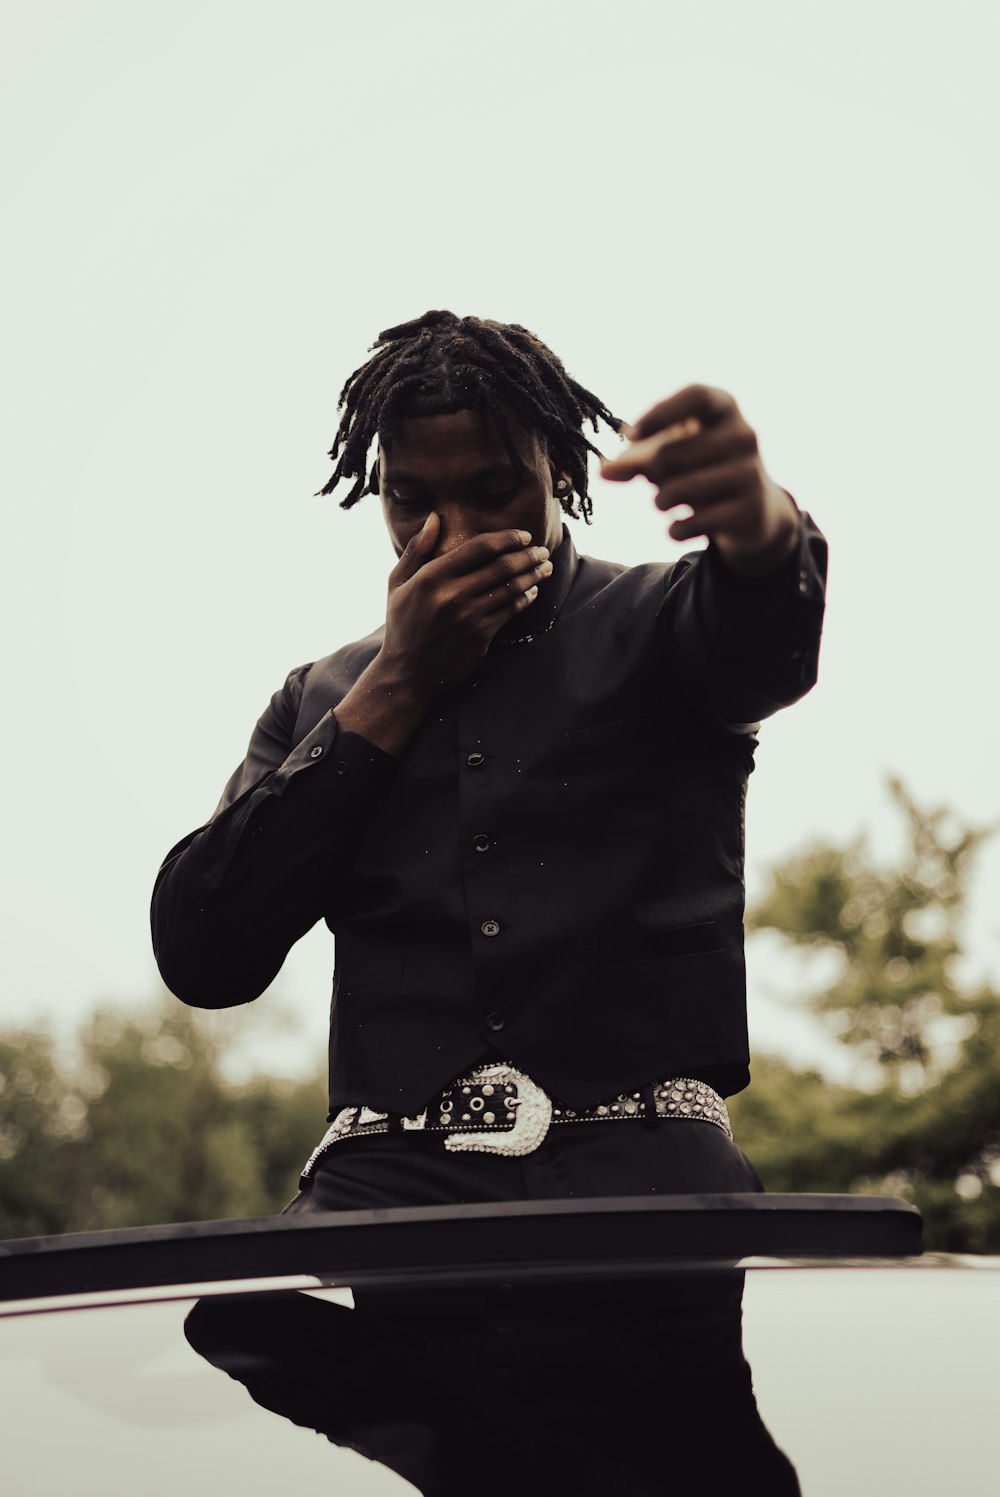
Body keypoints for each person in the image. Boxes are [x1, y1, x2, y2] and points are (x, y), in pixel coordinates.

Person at [156, 309, 824, 1492]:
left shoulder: (661, 620)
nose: (451, 530)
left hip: (647, 1198)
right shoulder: (317, 693)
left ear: (560, 475)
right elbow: (207, 953)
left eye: (495, 489)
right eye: (412, 499)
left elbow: (764, 640)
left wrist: (760, 528)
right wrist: (398, 686)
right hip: (385, 1212)